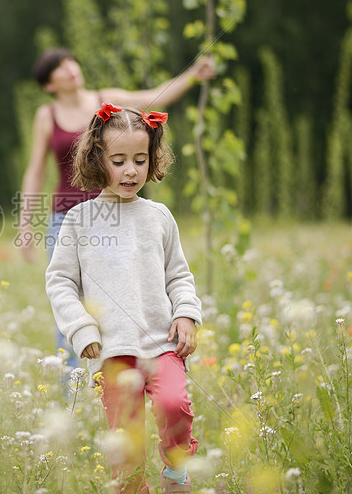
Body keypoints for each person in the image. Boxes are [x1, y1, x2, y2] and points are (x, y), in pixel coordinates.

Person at [45, 104, 202, 494]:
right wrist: (82, 329)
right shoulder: (79, 220)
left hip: (161, 342)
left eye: (140, 159)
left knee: (174, 404)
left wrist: (186, 313)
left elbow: (178, 275)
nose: (131, 170)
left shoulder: (159, 217)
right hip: (113, 350)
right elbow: (60, 281)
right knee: (126, 449)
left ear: (153, 159)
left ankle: (177, 472)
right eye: (119, 161)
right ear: (98, 159)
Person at [18, 48, 213, 372]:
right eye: (58, 68)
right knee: (70, 302)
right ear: (48, 84)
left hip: (117, 211)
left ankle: (135, 369)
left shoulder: (105, 100)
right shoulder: (46, 115)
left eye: (70, 61)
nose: (69, 69)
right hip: (67, 216)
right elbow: (35, 170)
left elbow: (155, 97)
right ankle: (75, 392)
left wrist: (193, 74)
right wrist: (26, 225)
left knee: (121, 295)